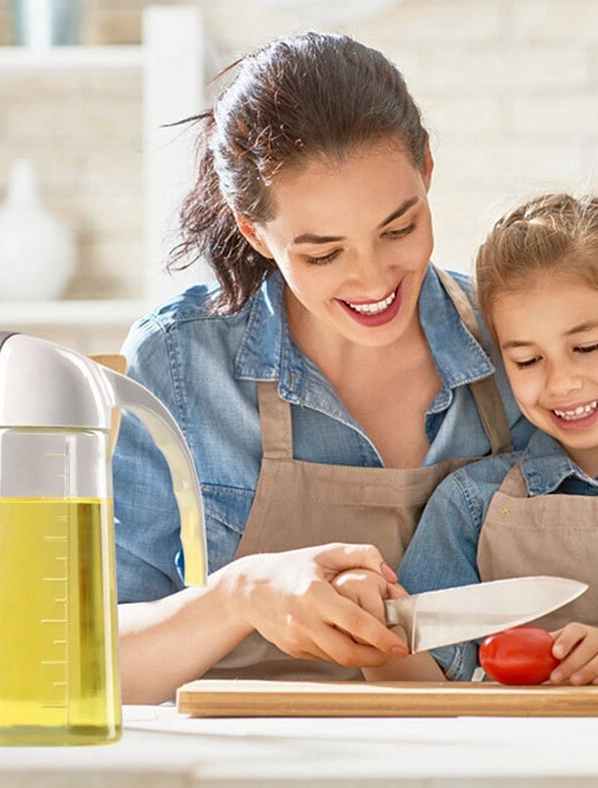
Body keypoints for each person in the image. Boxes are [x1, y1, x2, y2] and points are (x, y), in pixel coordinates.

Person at [113, 32, 533, 703]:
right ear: (256, 232)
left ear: (427, 169)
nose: (373, 279)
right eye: (322, 253)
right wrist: (240, 596)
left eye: (399, 229)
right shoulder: (180, 363)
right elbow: (86, 658)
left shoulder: (520, 339)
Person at [336, 193, 598, 685]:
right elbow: (421, 691)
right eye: (528, 360)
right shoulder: (471, 505)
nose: (560, 383)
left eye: (586, 347)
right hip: (505, 764)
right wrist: (370, 631)